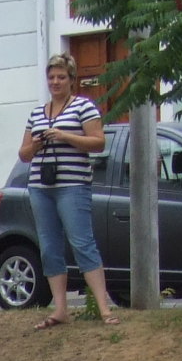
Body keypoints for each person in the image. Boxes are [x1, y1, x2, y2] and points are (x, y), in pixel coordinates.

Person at [19, 54, 115, 327]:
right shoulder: (37, 113)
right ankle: (60, 309)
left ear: (72, 80)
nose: (55, 82)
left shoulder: (84, 106)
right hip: (41, 187)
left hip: (73, 186)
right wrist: (37, 144)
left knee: (82, 243)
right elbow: (24, 154)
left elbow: (98, 143)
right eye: (51, 77)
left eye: (61, 77)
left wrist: (64, 136)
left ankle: (104, 309)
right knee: (49, 247)